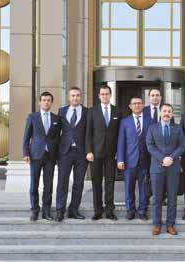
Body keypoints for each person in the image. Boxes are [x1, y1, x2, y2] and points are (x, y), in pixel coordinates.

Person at [146, 103, 185, 236]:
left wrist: (171, 158)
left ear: (172, 114)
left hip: (173, 167)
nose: (166, 113)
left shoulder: (178, 128)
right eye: (164, 111)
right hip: (157, 168)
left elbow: (182, 145)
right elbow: (150, 145)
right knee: (157, 198)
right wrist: (163, 158)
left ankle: (170, 225)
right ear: (160, 113)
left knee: (172, 198)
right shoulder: (152, 128)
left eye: (169, 111)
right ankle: (157, 225)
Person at [22, 91, 60, 221]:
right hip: (35, 155)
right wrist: (25, 153)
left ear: (51, 102)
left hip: (50, 156)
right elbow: (26, 137)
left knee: (48, 185)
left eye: (48, 100)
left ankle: (46, 211)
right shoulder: (32, 117)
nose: (46, 102)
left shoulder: (56, 118)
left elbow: (57, 139)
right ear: (40, 102)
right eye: (44, 100)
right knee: (34, 185)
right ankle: (34, 210)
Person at [85, 85, 121, 220]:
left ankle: (110, 210)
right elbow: (88, 133)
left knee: (110, 182)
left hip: (111, 154)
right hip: (95, 153)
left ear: (110, 95)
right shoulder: (92, 111)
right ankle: (98, 211)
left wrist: (119, 151)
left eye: (107, 94)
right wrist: (88, 151)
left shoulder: (117, 111)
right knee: (96, 182)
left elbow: (119, 134)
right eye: (102, 94)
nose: (105, 96)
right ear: (99, 96)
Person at [55, 87, 88, 222]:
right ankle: (60, 210)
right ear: (69, 97)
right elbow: (57, 133)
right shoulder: (62, 111)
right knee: (62, 182)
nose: (75, 98)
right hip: (65, 152)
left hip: (81, 153)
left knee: (78, 183)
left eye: (78, 95)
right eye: (73, 95)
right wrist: (56, 152)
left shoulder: (87, 112)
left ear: (81, 97)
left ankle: (74, 209)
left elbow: (89, 133)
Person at [117, 96, 153, 220]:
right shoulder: (125, 122)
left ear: (143, 105)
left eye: (139, 103)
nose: (137, 105)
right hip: (129, 160)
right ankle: (130, 210)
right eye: (134, 103)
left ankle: (142, 211)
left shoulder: (150, 121)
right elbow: (121, 142)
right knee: (129, 187)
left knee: (144, 188)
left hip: (145, 160)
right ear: (130, 106)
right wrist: (120, 159)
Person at [143, 88, 168, 205]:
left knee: (162, 174)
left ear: (161, 97)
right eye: (152, 95)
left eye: (157, 95)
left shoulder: (165, 110)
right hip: (146, 149)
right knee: (147, 174)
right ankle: (147, 197)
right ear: (149, 98)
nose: (155, 97)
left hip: (162, 150)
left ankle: (162, 197)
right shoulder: (143, 111)